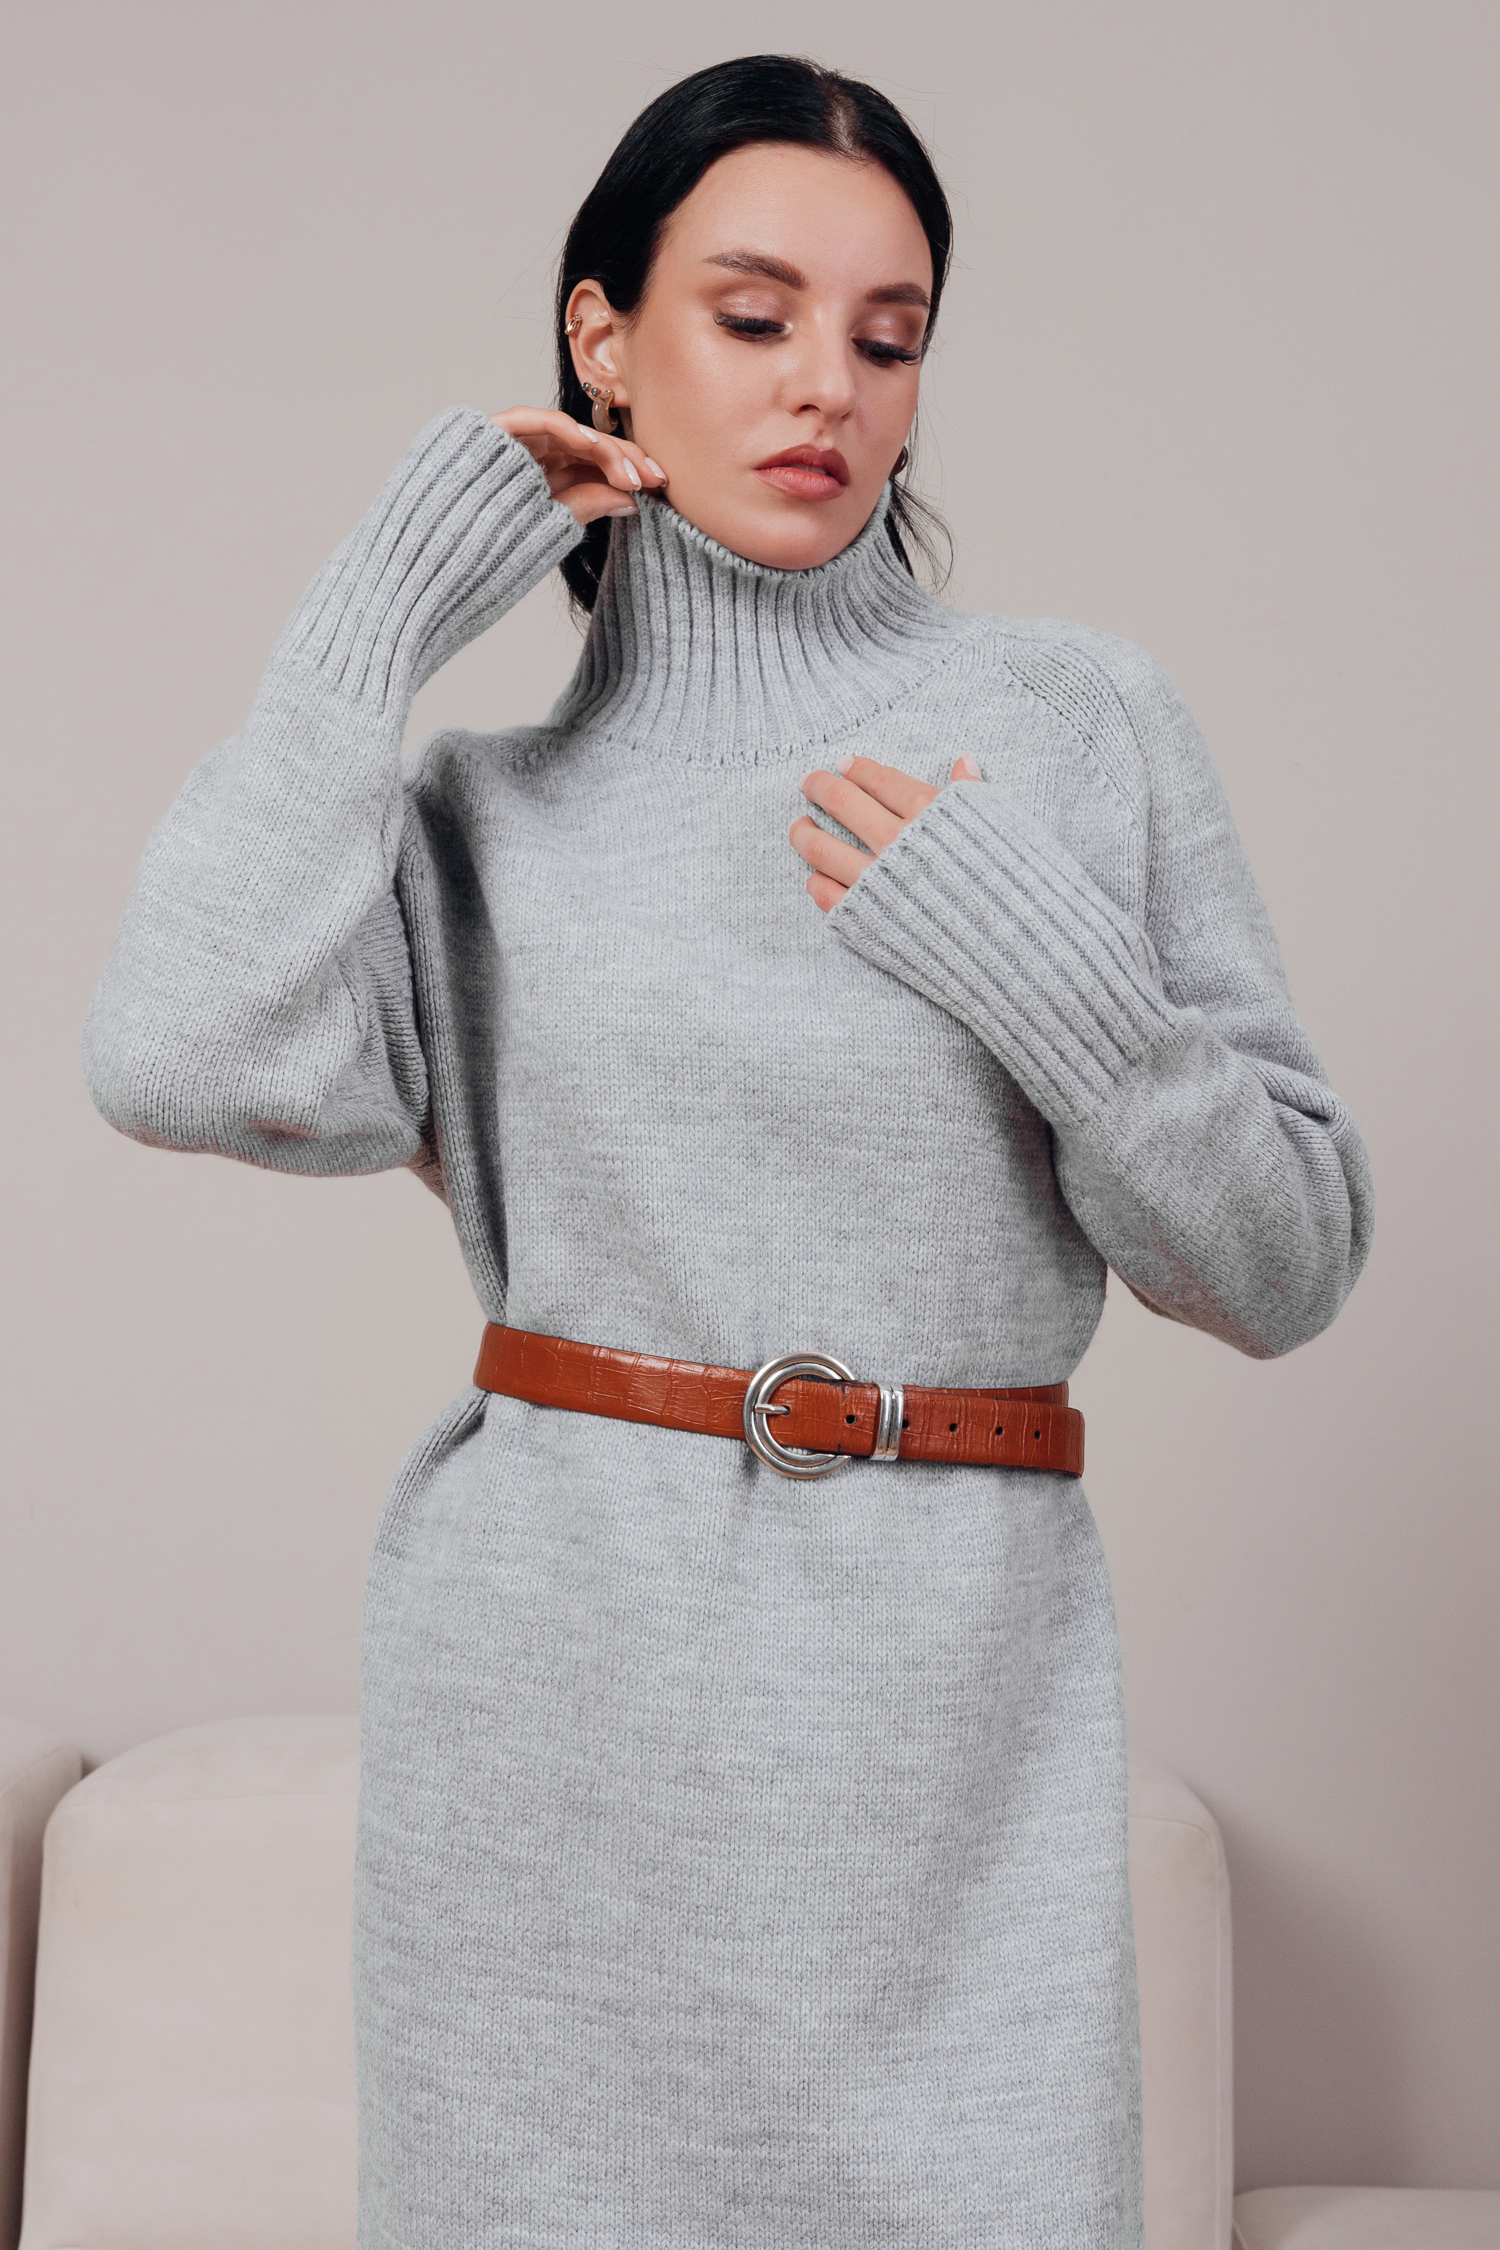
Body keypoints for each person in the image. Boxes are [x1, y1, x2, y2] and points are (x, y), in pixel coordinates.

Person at [82, 52, 1373, 2250]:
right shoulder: (479, 820)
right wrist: (379, 614)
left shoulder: (1079, 726)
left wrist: (1062, 990)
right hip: (550, 1715)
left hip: (954, 1728)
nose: (827, 390)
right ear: (605, 337)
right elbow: (173, 1048)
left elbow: (1285, 1262)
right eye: (754, 317)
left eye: (890, 337)